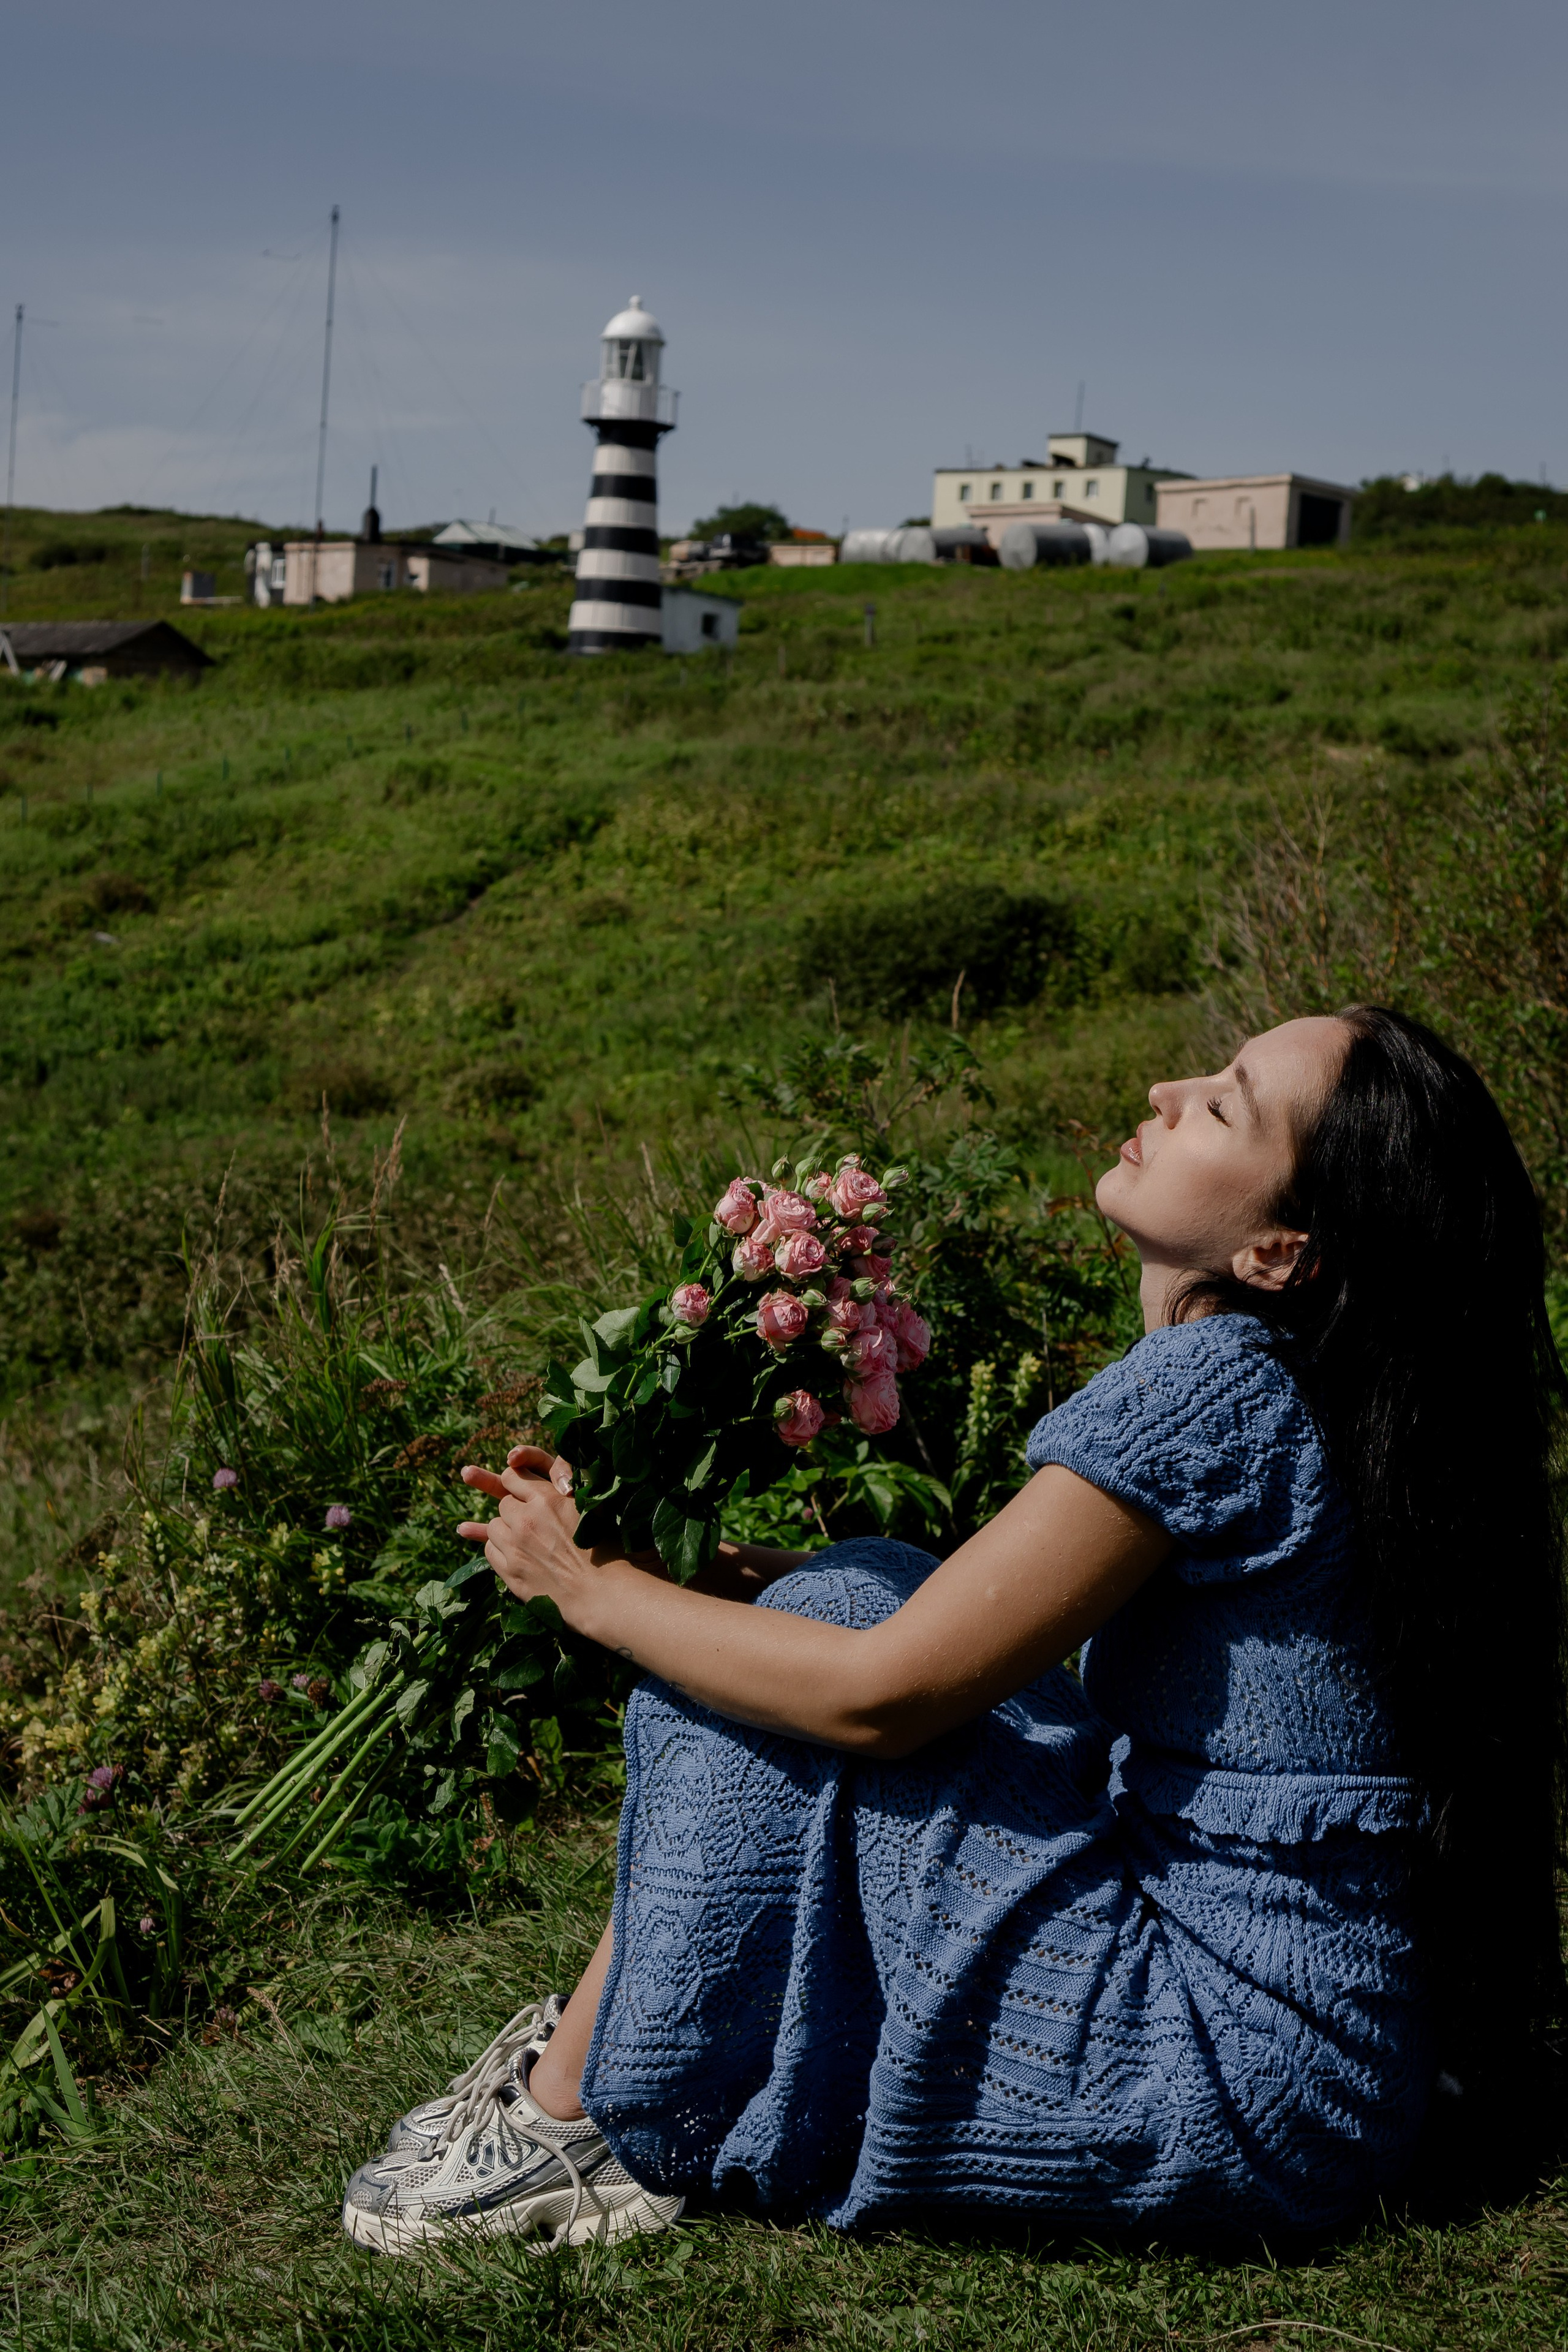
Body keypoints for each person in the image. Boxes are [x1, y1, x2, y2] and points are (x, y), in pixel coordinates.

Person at [340, 1008, 1567, 2256]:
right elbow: (977, 1618)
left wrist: (584, 1587)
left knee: (790, 1655)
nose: (1164, 1088)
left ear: (1277, 1250)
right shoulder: (1328, 1385)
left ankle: (580, 2124)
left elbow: (881, 1694)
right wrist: (704, 1576)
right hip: (1329, 2068)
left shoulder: (1216, 1386)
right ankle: (612, 2056)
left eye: (1220, 1105)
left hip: (1219, 2080)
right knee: (858, 1576)